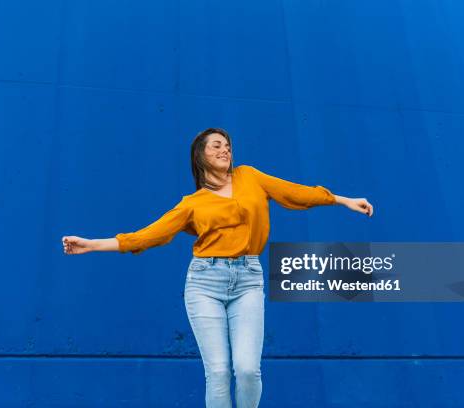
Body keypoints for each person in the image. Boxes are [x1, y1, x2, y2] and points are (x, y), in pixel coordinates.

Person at [61, 128, 374, 408]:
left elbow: (295, 192)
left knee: (248, 369)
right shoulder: (192, 203)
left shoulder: (249, 176)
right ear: (201, 156)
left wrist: (341, 199)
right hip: (205, 283)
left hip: (248, 279)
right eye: (216, 146)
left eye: (227, 145)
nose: (225, 150)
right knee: (219, 371)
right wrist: (91, 244)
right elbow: (148, 235)